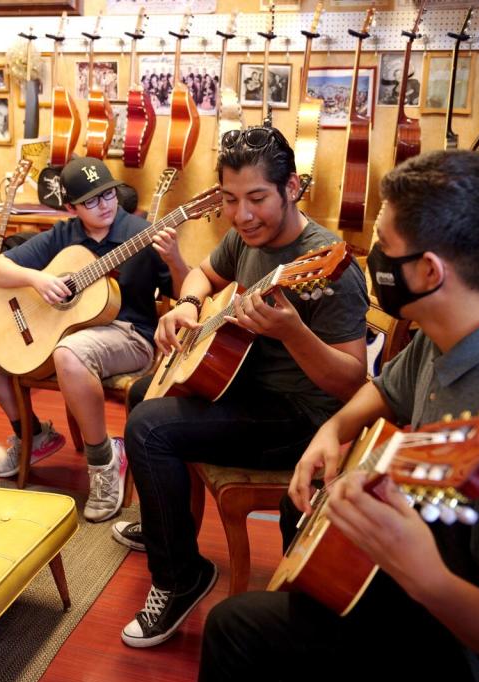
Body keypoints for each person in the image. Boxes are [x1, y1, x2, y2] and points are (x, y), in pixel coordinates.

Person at [194, 150, 479, 682]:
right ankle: (305, 680)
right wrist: (331, 431)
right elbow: (386, 390)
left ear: (429, 271)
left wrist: (423, 574)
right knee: (307, 531)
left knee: (236, 630)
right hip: (434, 566)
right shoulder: (455, 324)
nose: (373, 256)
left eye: (384, 244)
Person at [113, 125, 369, 648]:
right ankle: (168, 528)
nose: (242, 214)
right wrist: (186, 304)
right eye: (230, 200)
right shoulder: (244, 238)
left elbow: (351, 381)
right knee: (144, 392)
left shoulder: (329, 265)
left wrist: (293, 333)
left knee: (148, 429)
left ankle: (181, 579)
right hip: (245, 388)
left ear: (291, 188)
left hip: (298, 415)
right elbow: (202, 276)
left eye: (257, 199)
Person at [0, 157, 189, 522]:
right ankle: (32, 434)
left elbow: (182, 292)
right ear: (71, 208)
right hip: (69, 331)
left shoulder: (140, 232)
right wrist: (37, 281)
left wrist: (176, 260)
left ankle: (103, 463)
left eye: (109, 194)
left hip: (128, 334)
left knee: (70, 353)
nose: (105, 205)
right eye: (92, 201)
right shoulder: (64, 235)